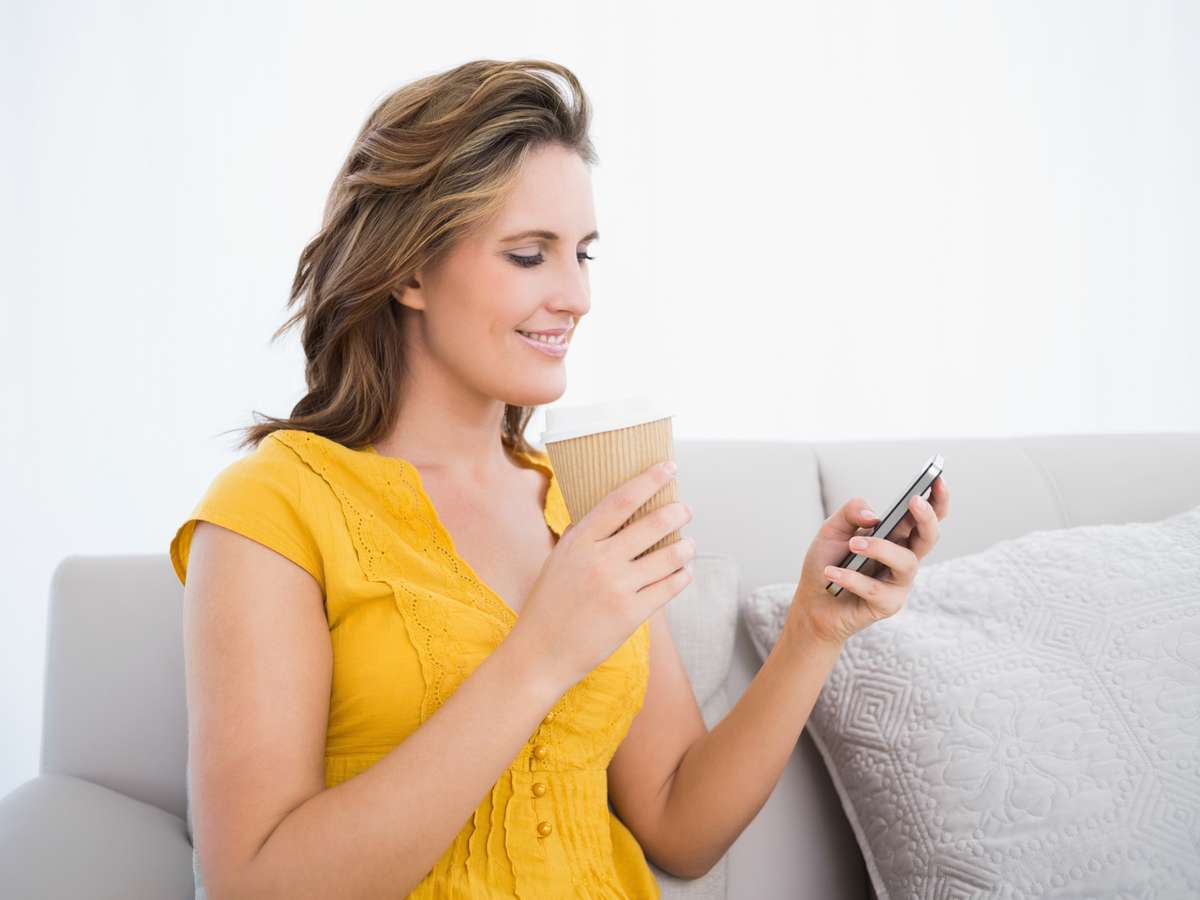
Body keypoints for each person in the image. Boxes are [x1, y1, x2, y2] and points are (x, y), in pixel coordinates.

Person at [170, 57, 949, 900]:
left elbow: (679, 822)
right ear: (408, 271)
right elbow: (253, 884)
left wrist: (814, 631)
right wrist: (543, 652)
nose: (576, 295)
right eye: (528, 255)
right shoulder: (274, 507)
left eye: (582, 254)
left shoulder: (580, 496)